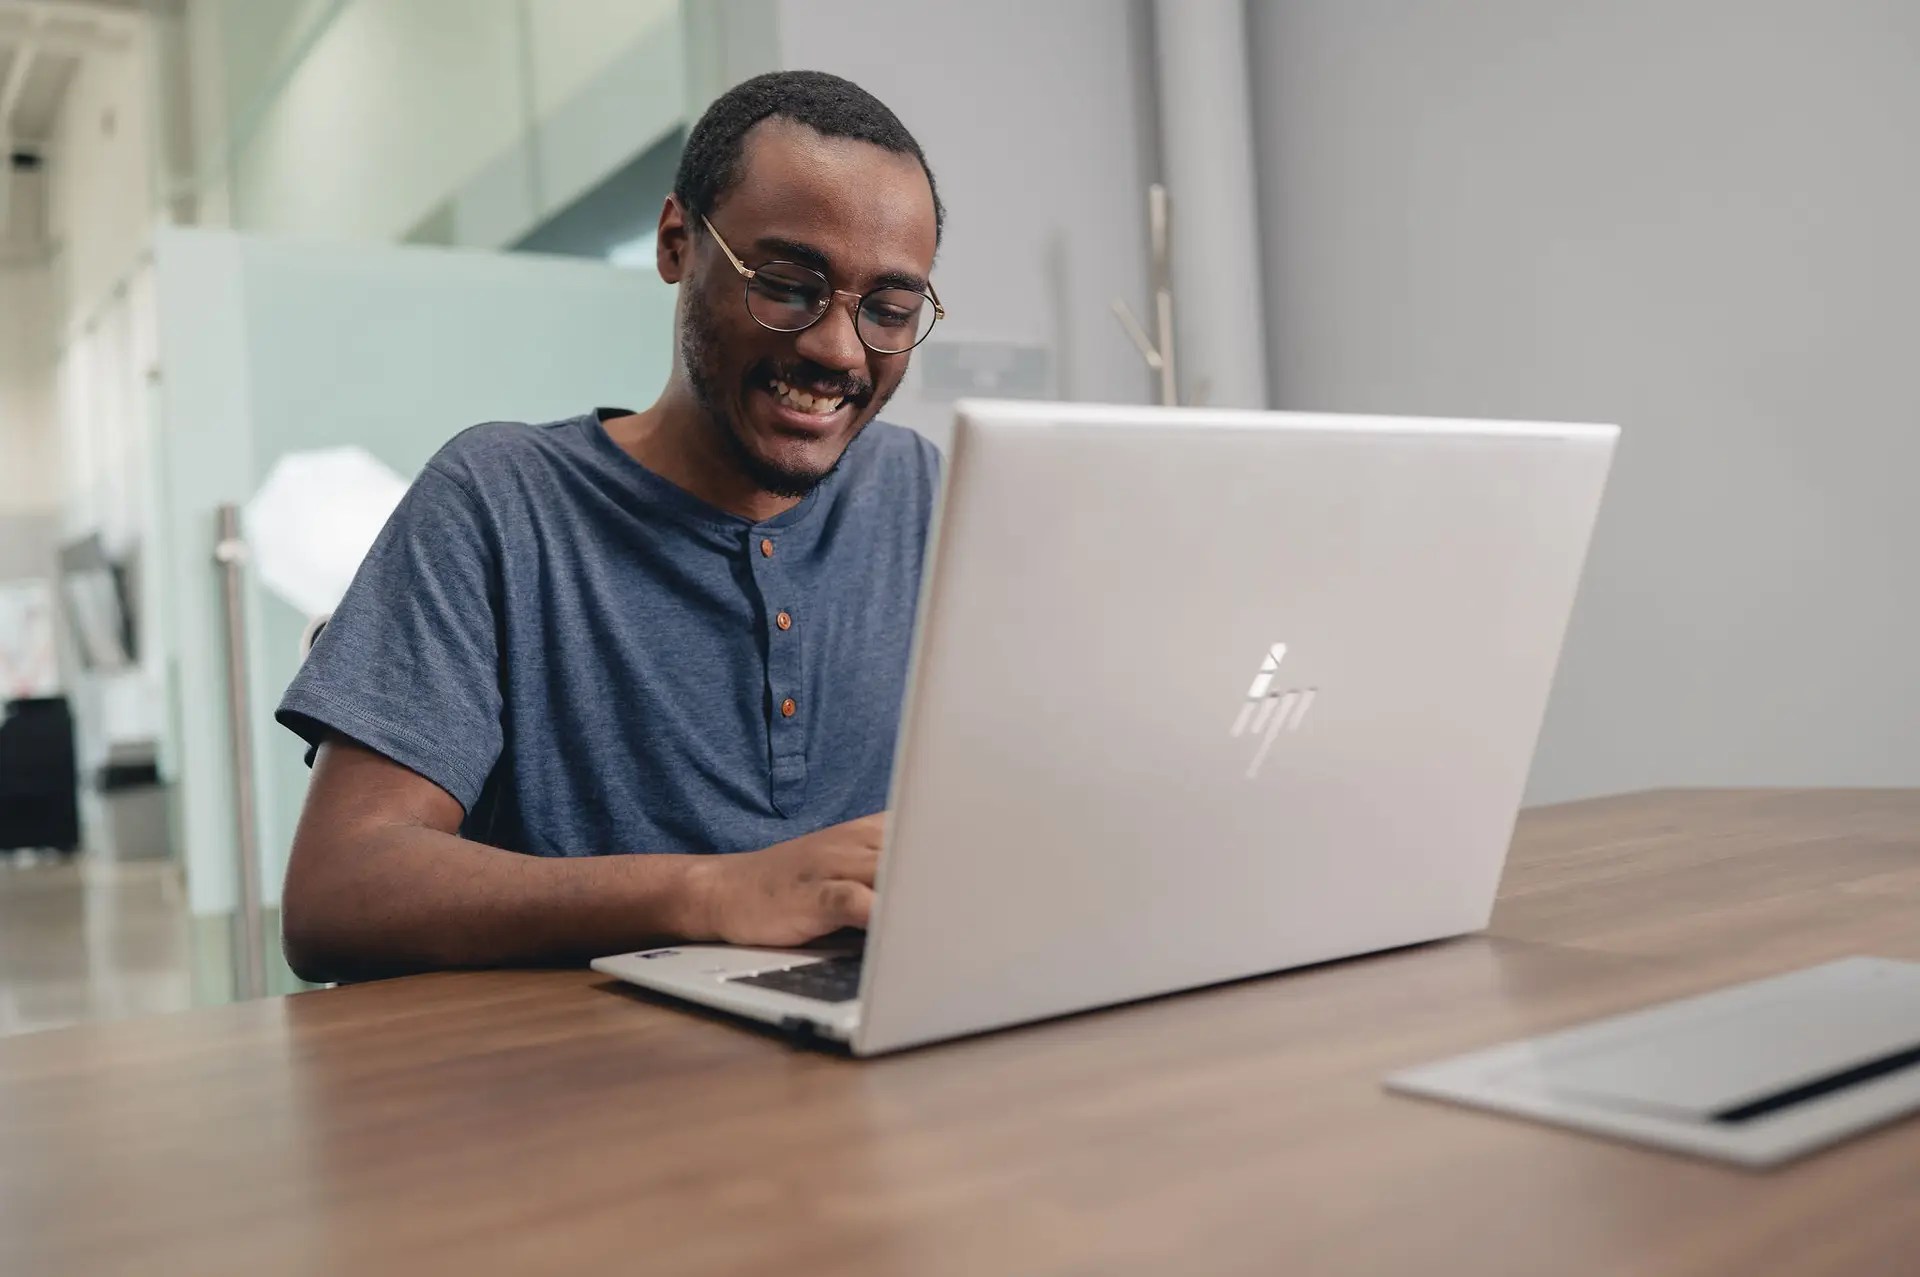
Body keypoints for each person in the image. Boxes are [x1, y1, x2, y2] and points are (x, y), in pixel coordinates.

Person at [276, 71, 946, 983]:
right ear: (677, 243)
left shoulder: (923, 493)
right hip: (585, 1094)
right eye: (788, 286)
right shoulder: (498, 501)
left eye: (890, 311)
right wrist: (714, 891)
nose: (837, 348)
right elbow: (338, 890)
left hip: (865, 1059)